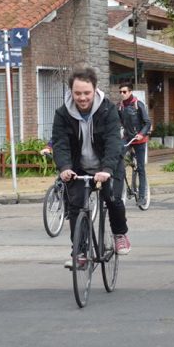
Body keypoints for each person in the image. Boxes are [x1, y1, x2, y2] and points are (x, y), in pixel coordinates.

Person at [51, 65, 131, 265]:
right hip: (79, 167)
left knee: (112, 199)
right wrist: (64, 168)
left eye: (87, 93)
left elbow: (114, 142)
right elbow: (60, 144)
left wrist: (107, 170)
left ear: (95, 90)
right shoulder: (62, 114)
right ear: (71, 92)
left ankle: (120, 234)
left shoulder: (108, 110)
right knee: (76, 207)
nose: (82, 98)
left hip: (107, 166)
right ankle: (79, 252)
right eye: (77, 93)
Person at [118, 81, 151, 203]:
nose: (122, 94)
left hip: (139, 139)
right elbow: (118, 122)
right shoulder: (120, 106)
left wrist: (141, 134)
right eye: (120, 92)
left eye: (124, 92)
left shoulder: (138, 104)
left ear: (130, 92)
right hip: (127, 138)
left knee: (141, 168)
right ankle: (121, 186)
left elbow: (147, 122)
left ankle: (142, 196)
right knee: (117, 156)